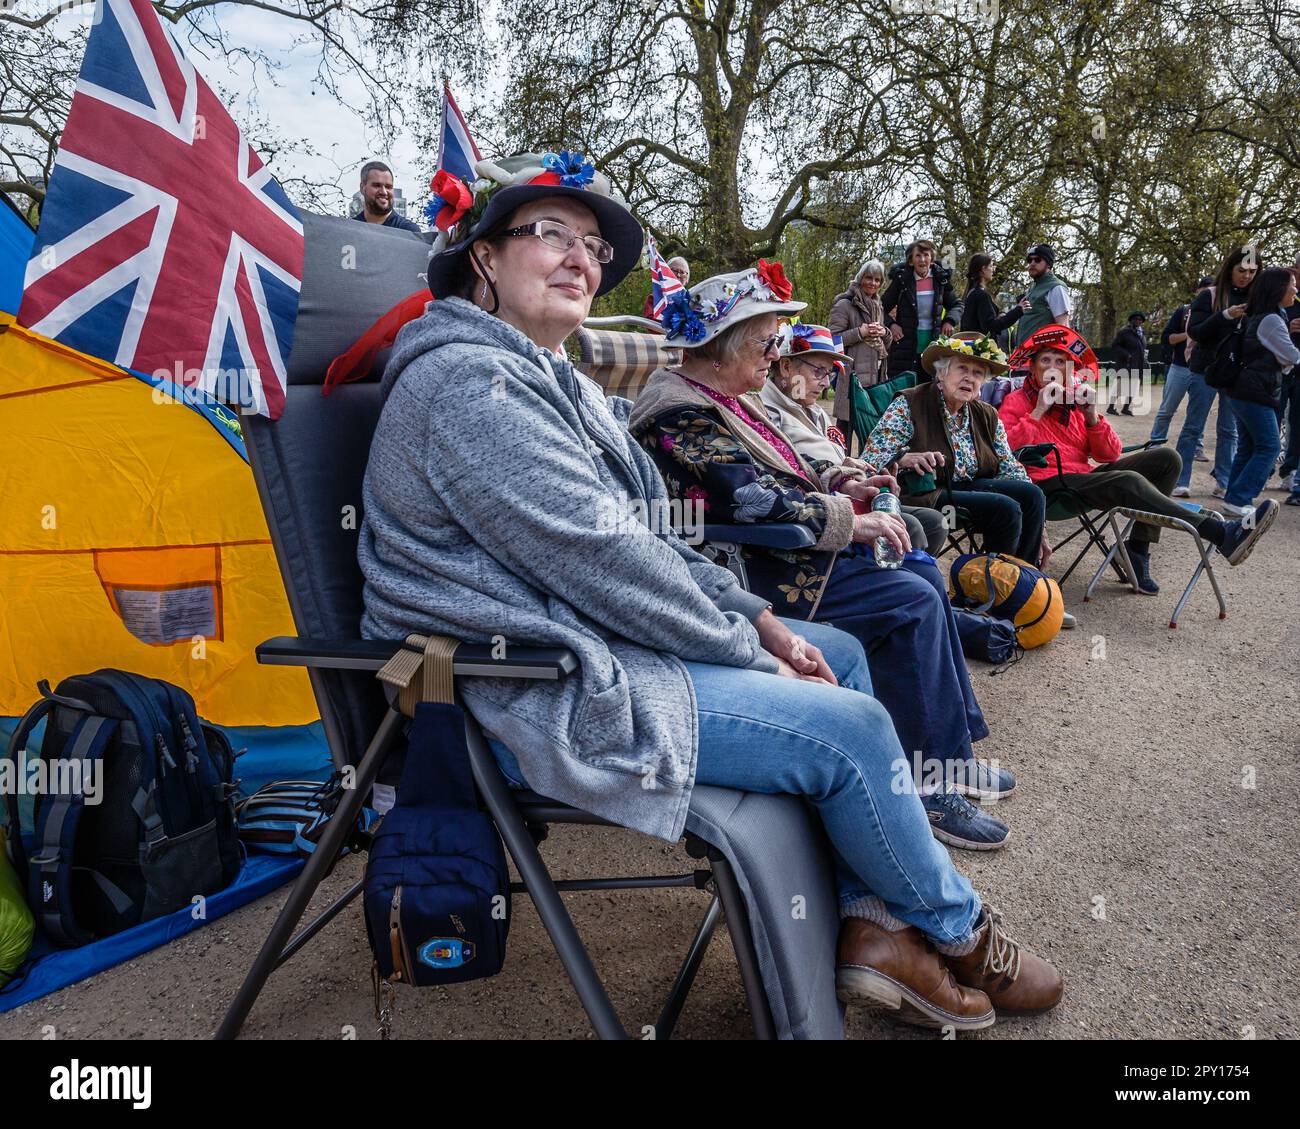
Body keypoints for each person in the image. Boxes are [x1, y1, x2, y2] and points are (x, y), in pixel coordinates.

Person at [358, 149, 1062, 1030]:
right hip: (522, 686)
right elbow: (605, 561)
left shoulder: (551, 381)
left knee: (836, 647)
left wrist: (759, 616)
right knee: (851, 726)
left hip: (600, 635)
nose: (582, 255)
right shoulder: (468, 385)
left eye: (593, 244)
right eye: (550, 233)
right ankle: (960, 931)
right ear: (484, 259)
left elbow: (651, 534)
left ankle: (873, 929)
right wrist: (749, 648)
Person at [632, 269, 1017, 853]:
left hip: (785, 545)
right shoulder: (676, 412)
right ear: (719, 348)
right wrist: (848, 521)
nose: (776, 353)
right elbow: (748, 500)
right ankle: (926, 782)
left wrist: (844, 482)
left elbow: (788, 464)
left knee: (918, 570)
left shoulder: (729, 395)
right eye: (766, 342)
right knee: (908, 599)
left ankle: (948, 754)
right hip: (749, 566)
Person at [999, 326, 1277, 594]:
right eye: (1045, 360)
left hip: (1083, 479)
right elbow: (1005, 449)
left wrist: (1091, 416)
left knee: (1168, 459)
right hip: (1046, 486)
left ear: (1070, 369)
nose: (1052, 367)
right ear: (1033, 366)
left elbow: (1109, 454)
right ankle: (1220, 533)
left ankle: (1137, 549)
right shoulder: (1017, 400)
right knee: (1127, 480)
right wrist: (1037, 412)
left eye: (1060, 361)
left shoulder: (1076, 401)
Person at [759, 322, 948, 555]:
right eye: (818, 371)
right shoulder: (767, 413)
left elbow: (830, 457)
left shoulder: (813, 410)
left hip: (847, 494)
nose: (826, 382)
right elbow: (792, 470)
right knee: (914, 528)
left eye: (830, 373)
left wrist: (857, 466)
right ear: (786, 366)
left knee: (936, 523)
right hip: (822, 513)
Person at [861, 333, 1049, 568]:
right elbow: (869, 459)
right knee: (1005, 508)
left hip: (970, 486)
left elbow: (1008, 464)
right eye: (962, 369)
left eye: (977, 373)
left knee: (1032, 496)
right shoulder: (910, 403)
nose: (969, 378)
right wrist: (904, 457)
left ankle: (1023, 580)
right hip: (928, 494)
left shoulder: (987, 414)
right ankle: (990, 586)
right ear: (941, 373)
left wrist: (1041, 525)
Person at [1177, 245, 1262, 497]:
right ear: (1230, 269)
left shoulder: (1256, 300)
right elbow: (1195, 332)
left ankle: (1224, 480)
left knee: (1229, 430)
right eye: (1241, 270)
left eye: (1252, 271)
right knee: (1194, 426)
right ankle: (1181, 479)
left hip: (1235, 373)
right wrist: (1224, 315)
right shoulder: (1210, 295)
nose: (1246, 276)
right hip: (1206, 369)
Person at [1220, 266, 1298, 517]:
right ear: (1278, 289)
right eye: (1292, 285)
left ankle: (1233, 497)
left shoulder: (1265, 314)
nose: (1296, 290)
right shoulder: (1272, 319)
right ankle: (1241, 496)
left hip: (1243, 389)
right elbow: (1292, 356)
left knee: (1248, 446)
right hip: (1255, 390)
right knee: (1269, 446)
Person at [1151, 278, 1213, 477]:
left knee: (1198, 413)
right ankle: (1155, 444)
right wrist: (1189, 334)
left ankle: (1197, 447)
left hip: (1203, 368)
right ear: (1197, 292)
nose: (1206, 295)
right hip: (1180, 367)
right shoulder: (1184, 311)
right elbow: (1167, 338)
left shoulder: (1218, 313)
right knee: (1166, 409)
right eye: (1203, 291)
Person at [880, 240, 962, 379]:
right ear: (911, 260)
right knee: (905, 393)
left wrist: (949, 321)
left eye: (926, 255)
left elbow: (957, 305)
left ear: (932, 258)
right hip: (905, 347)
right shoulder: (902, 280)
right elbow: (879, 308)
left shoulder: (941, 279)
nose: (922, 260)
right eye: (918, 255)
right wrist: (891, 325)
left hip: (934, 347)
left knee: (930, 393)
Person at [827, 260, 890, 434]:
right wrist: (860, 333)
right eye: (869, 278)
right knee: (843, 432)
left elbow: (885, 345)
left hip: (875, 378)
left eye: (877, 280)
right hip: (851, 378)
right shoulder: (844, 304)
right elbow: (831, 341)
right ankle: (838, 460)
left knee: (869, 434)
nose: (873, 283)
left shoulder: (878, 306)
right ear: (861, 278)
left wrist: (883, 332)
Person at [960, 252, 1030, 351]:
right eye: (991, 266)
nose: (993, 269)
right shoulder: (981, 294)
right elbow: (991, 326)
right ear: (983, 269)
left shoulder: (972, 292)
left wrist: (998, 317)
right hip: (979, 350)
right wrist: (1018, 310)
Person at [1014, 243, 1071, 344]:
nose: (1032, 263)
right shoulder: (1032, 287)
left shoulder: (1056, 287)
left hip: (1044, 355)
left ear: (1048, 263)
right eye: (1029, 260)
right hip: (1026, 354)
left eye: (1037, 260)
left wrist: (1067, 359)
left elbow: (1063, 328)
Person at [354, 160, 422, 233]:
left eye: (388, 187)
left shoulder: (409, 231)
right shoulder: (350, 228)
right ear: (362, 188)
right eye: (377, 185)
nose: (384, 192)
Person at [1108, 311, 1147, 416]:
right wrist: (1127, 355)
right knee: (1120, 387)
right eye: (1135, 319)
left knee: (1133, 388)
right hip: (1125, 364)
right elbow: (1115, 346)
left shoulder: (1142, 333)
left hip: (1138, 365)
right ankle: (1110, 407)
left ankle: (1125, 408)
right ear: (1131, 320)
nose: (1138, 321)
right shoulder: (1124, 332)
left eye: (1140, 320)